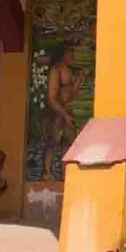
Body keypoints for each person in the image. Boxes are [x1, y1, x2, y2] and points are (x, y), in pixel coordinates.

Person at [42, 42, 88, 180]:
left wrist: (80, 78)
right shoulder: (55, 70)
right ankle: (46, 173)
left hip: (66, 111)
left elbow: (71, 93)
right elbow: (51, 97)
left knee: (68, 143)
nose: (73, 55)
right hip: (56, 111)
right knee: (53, 141)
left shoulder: (68, 70)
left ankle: (64, 174)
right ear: (63, 54)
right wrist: (63, 114)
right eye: (70, 52)